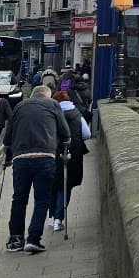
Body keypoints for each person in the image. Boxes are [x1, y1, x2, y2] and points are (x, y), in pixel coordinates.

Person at [2, 84, 68, 254]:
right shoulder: (53, 104)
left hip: (21, 159)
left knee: (19, 199)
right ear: (47, 95)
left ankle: (15, 240)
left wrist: (8, 155)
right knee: (42, 200)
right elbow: (65, 133)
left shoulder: (19, 106)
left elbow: (8, 137)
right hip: (45, 157)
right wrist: (63, 146)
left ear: (32, 95)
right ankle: (33, 239)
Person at [49, 93, 91, 230]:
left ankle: (52, 217)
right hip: (74, 153)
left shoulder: (53, 114)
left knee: (55, 185)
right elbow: (87, 134)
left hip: (54, 153)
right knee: (66, 186)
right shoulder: (77, 114)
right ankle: (58, 219)